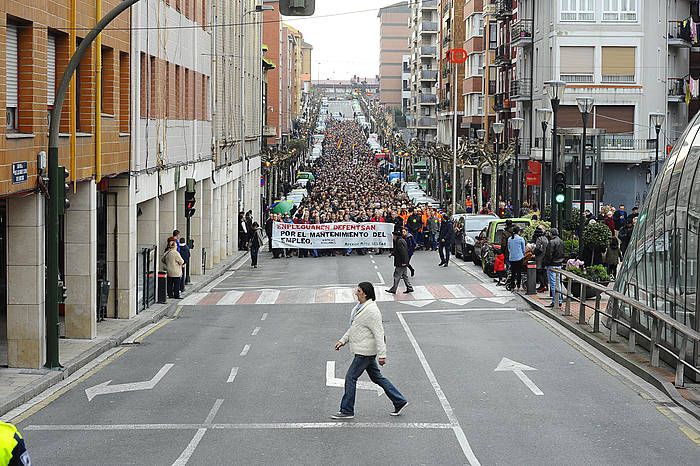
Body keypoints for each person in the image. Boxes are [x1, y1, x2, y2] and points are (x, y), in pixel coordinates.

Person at [332, 282, 408, 419]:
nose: (356, 293)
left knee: (350, 377)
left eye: (359, 291)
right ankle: (399, 400)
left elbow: (379, 333)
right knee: (377, 377)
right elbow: (355, 327)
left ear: (365, 293)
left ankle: (347, 410)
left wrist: (382, 355)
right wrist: (342, 341)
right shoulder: (360, 308)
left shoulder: (372, 311)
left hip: (365, 352)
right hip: (364, 350)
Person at [544, 228, 566, 308]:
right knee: (558, 282)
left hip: (552, 264)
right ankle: (559, 299)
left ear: (551, 233)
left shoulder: (551, 242)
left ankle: (555, 300)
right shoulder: (561, 241)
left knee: (553, 283)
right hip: (559, 263)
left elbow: (549, 254)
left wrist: (546, 263)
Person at [507, 226, 526, 290]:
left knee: (513, 272)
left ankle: (512, 286)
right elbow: (523, 249)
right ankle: (518, 286)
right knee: (519, 272)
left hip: (512, 258)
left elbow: (509, 249)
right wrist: (523, 254)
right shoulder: (521, 239)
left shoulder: (509, 239)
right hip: (519, 258)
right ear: (518, 231)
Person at [533, 225, 549, 292]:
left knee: (539, 272)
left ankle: (543, 285)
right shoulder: (546, 238)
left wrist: (533, 251)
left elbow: (538, 249)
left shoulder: (539, 239)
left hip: (540, 258)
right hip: (545, 257)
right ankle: (546, 285)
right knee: (544, 272)